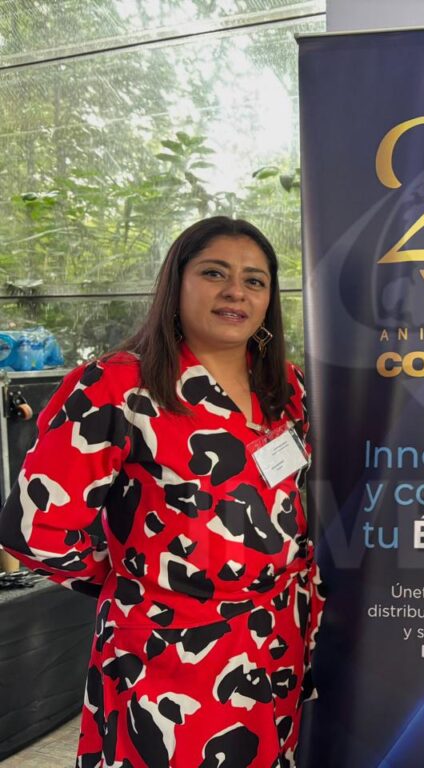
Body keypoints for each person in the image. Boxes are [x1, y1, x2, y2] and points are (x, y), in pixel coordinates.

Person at [0, 216, 323, 768]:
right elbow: (35, 529)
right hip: (168, 652)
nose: (236, 292)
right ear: (176, 283)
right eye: (214, 273)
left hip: (275, 641)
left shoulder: (285, 387)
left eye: (254, 280)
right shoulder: (117, 386)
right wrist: (136, 580)